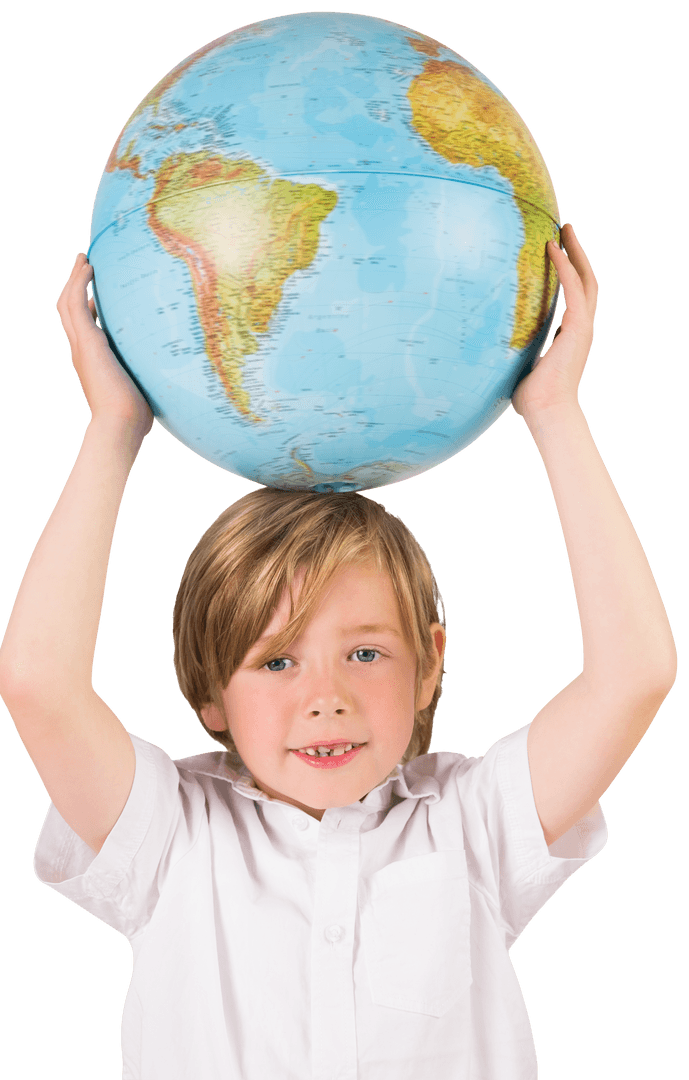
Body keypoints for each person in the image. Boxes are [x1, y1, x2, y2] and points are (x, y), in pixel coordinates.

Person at [0, 225, 677, 1079]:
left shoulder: (470, 827)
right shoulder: (170, 836)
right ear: (207, 693)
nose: (325, 697)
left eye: (364, 654)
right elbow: (36, 682)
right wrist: (114, 428)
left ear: (430, 661)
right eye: (276, 662)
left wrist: (554, 412)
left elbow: (635, 672)